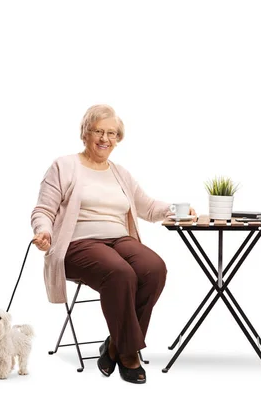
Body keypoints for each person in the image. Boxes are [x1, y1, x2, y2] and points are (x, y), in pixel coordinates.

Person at [31, 104, 196, 384]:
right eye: (98, 131)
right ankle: (129, 354)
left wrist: (176, 209)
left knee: (153, 268)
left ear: (118, 139)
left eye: (112, 133)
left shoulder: (120, 173)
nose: (105, 138)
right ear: (85, 133)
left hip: (119, 238)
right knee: (120, 273)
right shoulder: (64, 166)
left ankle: (114, 346)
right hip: (78, 243)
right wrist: (43, 231)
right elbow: (43, 210)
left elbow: (146, 206)